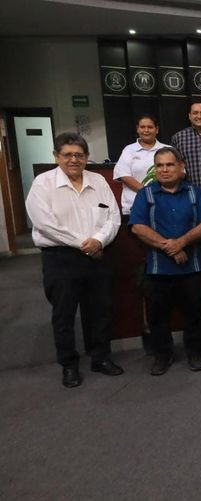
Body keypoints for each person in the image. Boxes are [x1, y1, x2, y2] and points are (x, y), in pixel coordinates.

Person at [25, 132, 123, 387]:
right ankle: (69, 365)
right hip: (61, 258)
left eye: (79, 155)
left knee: (100, 311)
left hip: (97, 254)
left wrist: (99, 241)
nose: (73, 160)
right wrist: (85, 245)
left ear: (87, 157)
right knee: (64, 315)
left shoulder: (99, 181)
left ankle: (100, 357)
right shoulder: (42, 184)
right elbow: (45, 224)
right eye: (67, 155)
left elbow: (113, 217)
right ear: (56, 157)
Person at [129, 146, 201, 376]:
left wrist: (182, 242)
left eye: (169, 164)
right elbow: (138, 227)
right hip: (158, 269)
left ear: (181, 167)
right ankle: (162, 356)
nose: (165, 169)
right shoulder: (145, 194)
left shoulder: (194, 193)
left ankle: (195, 353)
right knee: (158, 317)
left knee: (195, 315)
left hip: (192, 267)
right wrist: (169, 246)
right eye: (160, 166)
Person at [113, 114, 168, 218]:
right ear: (137, 129)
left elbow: (180, 174)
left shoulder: (167, 149)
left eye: (150, 127)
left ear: (157, 129)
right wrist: (149, 193)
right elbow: (124, 175)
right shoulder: (129, 150)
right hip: (134, 205)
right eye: (142, 127)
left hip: (164, 204)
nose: (146, 130)